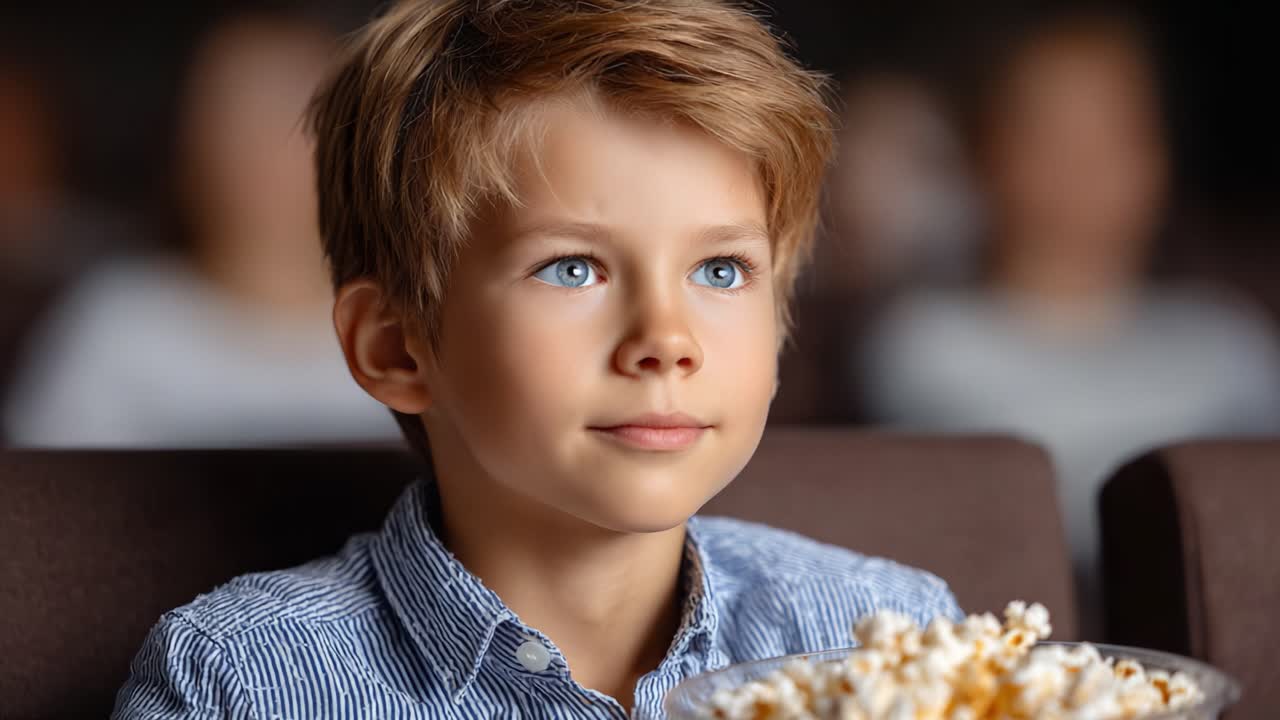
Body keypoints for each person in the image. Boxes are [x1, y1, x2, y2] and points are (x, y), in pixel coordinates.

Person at [111, 1, 963, 717]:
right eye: (573, 269)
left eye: (720, 269)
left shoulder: (895, 640)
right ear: (396, 347)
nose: (667, 340)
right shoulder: (236, 683)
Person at [860, 8, 1280, 639]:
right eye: (1048, 131)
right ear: (984, 151)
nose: (1083, 163)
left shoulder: (1228, 341)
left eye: (1115, 128)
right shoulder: (925, 344)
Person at [3, 11, 400, 446]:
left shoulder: (407, 335)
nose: (264, 148)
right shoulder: (117, 325)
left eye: (293, 109)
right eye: (232, 117)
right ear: (184, 148)